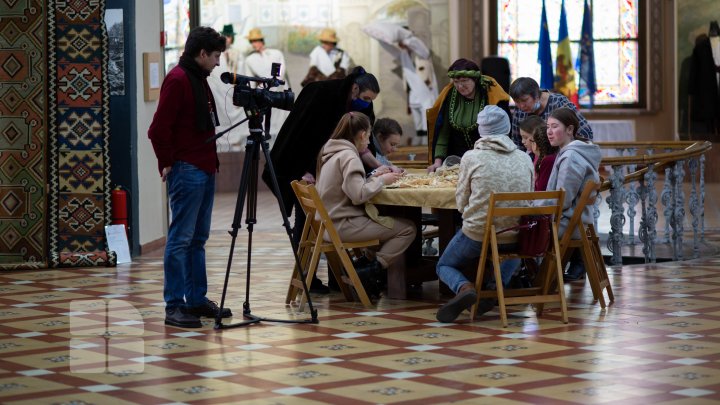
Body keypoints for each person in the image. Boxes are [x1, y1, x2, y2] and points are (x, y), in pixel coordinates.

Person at [262, 66, 380, 293]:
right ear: (354, 88)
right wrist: (303, 171)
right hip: (302, 168)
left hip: (332, 171)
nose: (367, 104)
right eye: (365, 98)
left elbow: (364, 143)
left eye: (371, 101)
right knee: (306, 223)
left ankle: (339, 280)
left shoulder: (362, 104)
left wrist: (379, 167)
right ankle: (309, 279)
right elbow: (299, 137)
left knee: (336, 218)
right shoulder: (320, 94)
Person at [148, 26, 231, 328]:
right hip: (187, 169)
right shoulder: (179, 79)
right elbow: (157, 129)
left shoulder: (197, 77)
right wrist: (167, 162)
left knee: (198, 239)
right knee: (181, 239)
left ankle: (195, 300)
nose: (219, 62)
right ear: (202, 54)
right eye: (216, 56)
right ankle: (174, 306)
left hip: (205, 166)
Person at [435, 105, 534, 323]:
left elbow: (461, 202)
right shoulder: (525, 158)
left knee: (444, 265)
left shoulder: (471, 157)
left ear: (481, 130)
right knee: (510, 248)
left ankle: (465, 288)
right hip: (516, 235)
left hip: (479, 234)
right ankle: (492, 288)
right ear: (507, 128)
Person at [315, 112, 416, 297]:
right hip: (344, 224)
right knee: (408, 228)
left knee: (382, 223)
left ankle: (362, 266)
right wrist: (383, 181)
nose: (368, 142)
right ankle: (371, 272)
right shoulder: (350, 157)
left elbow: (347, 187)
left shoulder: (331, 152)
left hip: (327, 224)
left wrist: (373, 176)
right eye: (369, 136)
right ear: (362, 134)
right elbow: (358, 195)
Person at [544, 107, 601, 282]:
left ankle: (526, 282)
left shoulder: (571, 157)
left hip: (569, 223)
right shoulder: (572, 152)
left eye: (554, 127)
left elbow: (563, 200)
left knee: (515, 230)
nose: (549, 132)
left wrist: (535, 208)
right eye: (548, 127)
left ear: (570, 129)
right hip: (576, 221)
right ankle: (540, 278)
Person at [427, 58, 510, 173]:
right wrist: (437, 162)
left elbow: (499, 134)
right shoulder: (450, 95)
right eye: (456, 82)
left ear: (475, 79)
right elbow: (443, 132)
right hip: (456, 163)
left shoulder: (489, 94)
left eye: (464, 81)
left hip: (486, 161)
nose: (460, 86)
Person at [509, 77, 593, 149]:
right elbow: (517, 142)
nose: (521, 106)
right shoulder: (519, 110)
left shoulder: (559, 103)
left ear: (537, 95)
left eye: (524, 100)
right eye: (517, 102)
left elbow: (585, 133)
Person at [243, 27, 290, 138]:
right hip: (263, 93)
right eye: (252, 41)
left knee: (280, 117)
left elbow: (282, 70)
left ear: (261, 41)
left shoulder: (276, 53)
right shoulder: (250, 59)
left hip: (278, 89)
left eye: (257, 40)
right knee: (265, 118)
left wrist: (275, 84)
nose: (255, 44)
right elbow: (250, 78)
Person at [208, 24, 246, 145]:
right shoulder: (217, 54)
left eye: (229, 36)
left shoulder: (237, 54)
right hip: (218, 93)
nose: (227, 39)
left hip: (232, 90)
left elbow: (242, 72)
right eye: (225, 36)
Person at [518, 115, 558, 191]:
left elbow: (541, 190)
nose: (523, 141)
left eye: (526, 137)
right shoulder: (537, 155)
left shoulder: (548, 159)